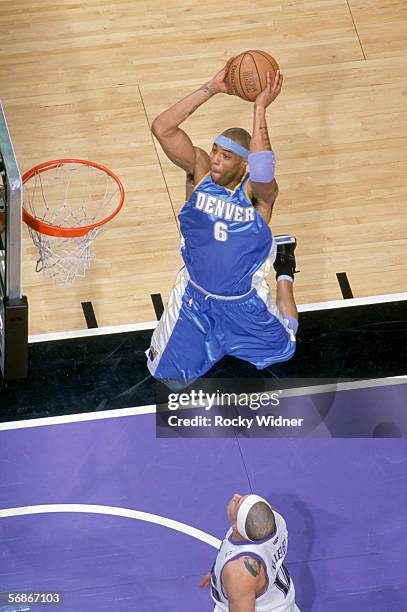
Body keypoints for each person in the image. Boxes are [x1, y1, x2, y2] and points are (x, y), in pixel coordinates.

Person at [147, 59, 298, 389]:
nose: (214, 158)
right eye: (214, 150)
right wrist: (212, 88)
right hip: (195, 295)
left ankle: (284, 266)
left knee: (285, 348)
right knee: (167, 380)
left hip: (242, 300)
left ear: (243, 163)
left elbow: (262, 169)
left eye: (225, 155)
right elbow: (162, 128)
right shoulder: (199, 173)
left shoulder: (258, 195)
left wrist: (260, 109)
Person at [199, 493, 300, 611]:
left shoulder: (239, 572)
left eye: (238, 503)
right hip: (280, 601)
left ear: (236, 527)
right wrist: (218, 574)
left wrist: (230, 578)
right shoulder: (274, 521)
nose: (236, 496)